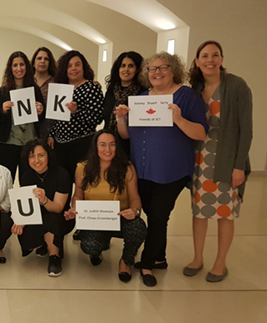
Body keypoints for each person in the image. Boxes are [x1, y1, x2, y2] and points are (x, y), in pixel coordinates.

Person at [115, 52, 208, 287]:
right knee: (153, 214)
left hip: (171, 170)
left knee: (158, 216)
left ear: (173, 70)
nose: (156, 73)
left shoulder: (186, 97)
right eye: (152, 69)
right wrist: (121, 119)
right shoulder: (142, 98)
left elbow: (200, 133)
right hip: (142, 169)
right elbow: (127, 135)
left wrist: (179, 120)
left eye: (162, 68)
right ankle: (160, 257)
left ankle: (147, 263)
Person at [184, 41, 253, 282]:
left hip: (227, 160)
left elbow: (246, 130)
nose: (209, 60)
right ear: (197, 61)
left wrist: (239, 165)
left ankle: (220, 263)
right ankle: (197, 257)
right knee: (199, 213)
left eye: (214, 55)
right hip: (199, 161)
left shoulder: (236, 86)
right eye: (204, 56)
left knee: (225, 214)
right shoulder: (195, 88)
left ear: (222, 59)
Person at [64, 130, 146, 282]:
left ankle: (126, 260)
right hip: (95, 219)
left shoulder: (127, 168)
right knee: (89, 246)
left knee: (138, 228)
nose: (107, 150)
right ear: (95, 147)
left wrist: (134, 211)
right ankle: (97, 252)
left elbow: (135, 199)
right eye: (102, 145)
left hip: (120, 218)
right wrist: (75, 209)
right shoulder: (82, 168)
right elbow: (77, 195)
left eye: (112, 145)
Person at [13, 139, 74, 276]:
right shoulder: (27, 176)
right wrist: (21, 221)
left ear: (49, 156)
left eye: (41, 155)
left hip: (60, 217)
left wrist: (45, 200)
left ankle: (54, 256)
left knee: (52, 219)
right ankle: (42, 244)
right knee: (26, 239)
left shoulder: (62, 174)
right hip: (37, 215)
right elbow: (27, 205)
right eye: (31, 156)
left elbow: (58, 208)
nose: (36, 160)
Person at [49, 50, 104, 180]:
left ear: (83, 67)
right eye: (69, 66)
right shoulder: (60, 88)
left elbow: (97, 118)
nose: (73, 68)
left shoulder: (91, 88)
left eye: (77, 64)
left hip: (82, 144)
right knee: (62, 183)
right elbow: (54, 116)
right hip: (60, 146)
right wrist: (52, 135)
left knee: (82, 182)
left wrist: (76, 112)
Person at [0, 51, 45, 183]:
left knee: (27, 180)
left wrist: (40, 110)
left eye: (21, 64)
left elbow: (42, 117)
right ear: (10, 68)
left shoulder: (35, 89)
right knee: (6, 180)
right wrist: (3, 111)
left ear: (27, 67)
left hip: (29, 143)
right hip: (8, 143)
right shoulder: (3, 91)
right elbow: (1, 119)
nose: (18, 68)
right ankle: (6, 204)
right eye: (15, 65)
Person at [102, 52, 146, 150]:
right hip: (108, 145)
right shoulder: (110, 92)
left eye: (131, 66)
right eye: (123, 66)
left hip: (131, 146)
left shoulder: (143, 94)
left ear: (138, 69)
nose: (126, 69)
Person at [32, 47, 58, 139]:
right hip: (28, 132)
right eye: (39, 58)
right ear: (33, 62)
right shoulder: (26, 82)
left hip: (49, 132)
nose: (42, 61)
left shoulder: (56, 82)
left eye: (46, 59)